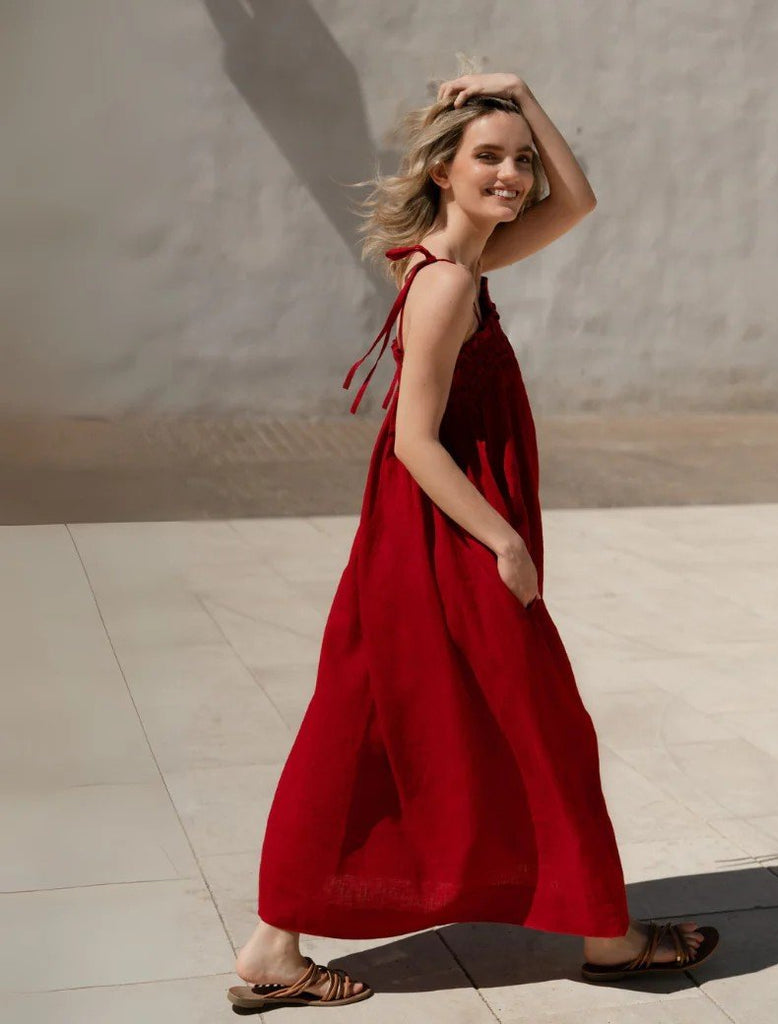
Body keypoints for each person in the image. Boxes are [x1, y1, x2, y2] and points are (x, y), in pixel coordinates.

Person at [227, 69, 719, 1011]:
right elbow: (414, 440)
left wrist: (525, 96)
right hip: (443, 538)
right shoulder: (449, 283)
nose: (512, 173)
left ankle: (272, 947)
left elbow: (578, 200)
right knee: (542, 726)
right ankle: (609, 939)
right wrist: (505, 542)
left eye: (519, 160)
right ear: (444, 169)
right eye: (487, 156)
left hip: (414, 539)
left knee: (364, 724)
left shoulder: (455, 260)